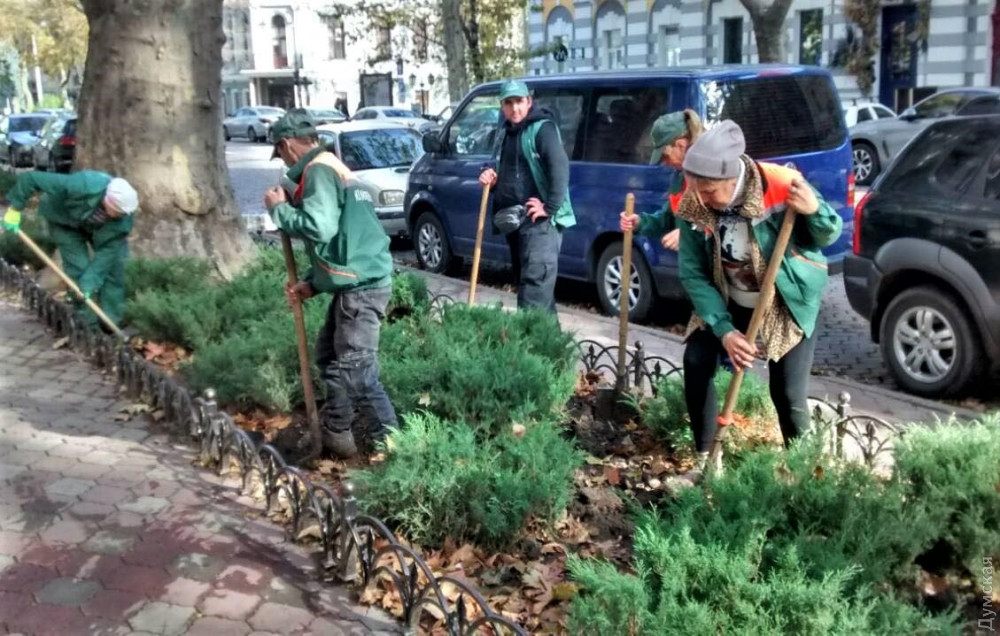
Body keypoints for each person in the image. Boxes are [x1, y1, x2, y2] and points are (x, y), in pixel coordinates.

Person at [675, 120, 842, 474]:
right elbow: (693, 273)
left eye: (709, 192)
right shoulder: (695, 199)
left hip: (785, 299)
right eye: (696, 190)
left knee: (787, 391)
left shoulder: (781, 183)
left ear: (731, 178)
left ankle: (804, 473)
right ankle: (707, 462)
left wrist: (815, 210)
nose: (701, 199)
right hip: (727, 296)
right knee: (696, 360)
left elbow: (828, 235)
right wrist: (724, 330)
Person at [263, 109, 398, 459]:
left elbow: (320, 227)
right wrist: (313, 283)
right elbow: (344, 239)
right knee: (330, 357)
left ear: (287, 144)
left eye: (280, 152)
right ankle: (337, 431)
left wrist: (279, 210)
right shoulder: (331, 165)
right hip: (358, 279)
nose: (283, 160)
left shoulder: (318, 170)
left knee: (358, 369)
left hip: (362, 286)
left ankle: (396, 452)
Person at [478, 79, 576, 312]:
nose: (515, 108)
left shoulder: (542, 129)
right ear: (502, 106)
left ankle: (531, 337)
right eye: (509, 103)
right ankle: (549, 337)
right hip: (516, 225)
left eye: (519, 101)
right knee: (536, 297)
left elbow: (560, 168)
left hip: (540, 227)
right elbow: (507, 171)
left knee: (533, 297)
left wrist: (549, 207)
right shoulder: (505, 132)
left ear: (529, 101)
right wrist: (491, 178)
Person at [2, 172, 139, 328]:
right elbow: (31, 178)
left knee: (114, 268)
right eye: (119, 212)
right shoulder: (81, 186)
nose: (121, 215)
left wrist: (89, 284)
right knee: (78, 268)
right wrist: (15, 209)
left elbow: (106, 255)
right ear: (109, 201)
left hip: (98, 228)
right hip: (63, 222)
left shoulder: (122, 221)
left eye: (123, 213)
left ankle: (111, 321)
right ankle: (87, 324)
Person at [619, 109, 703, 251]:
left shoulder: (716, 175)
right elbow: (667, 218)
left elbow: (724, 220)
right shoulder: (680, 179)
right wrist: (640, 222)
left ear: (681, 145)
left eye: (665, 156)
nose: (664, 163)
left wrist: (689, 234)